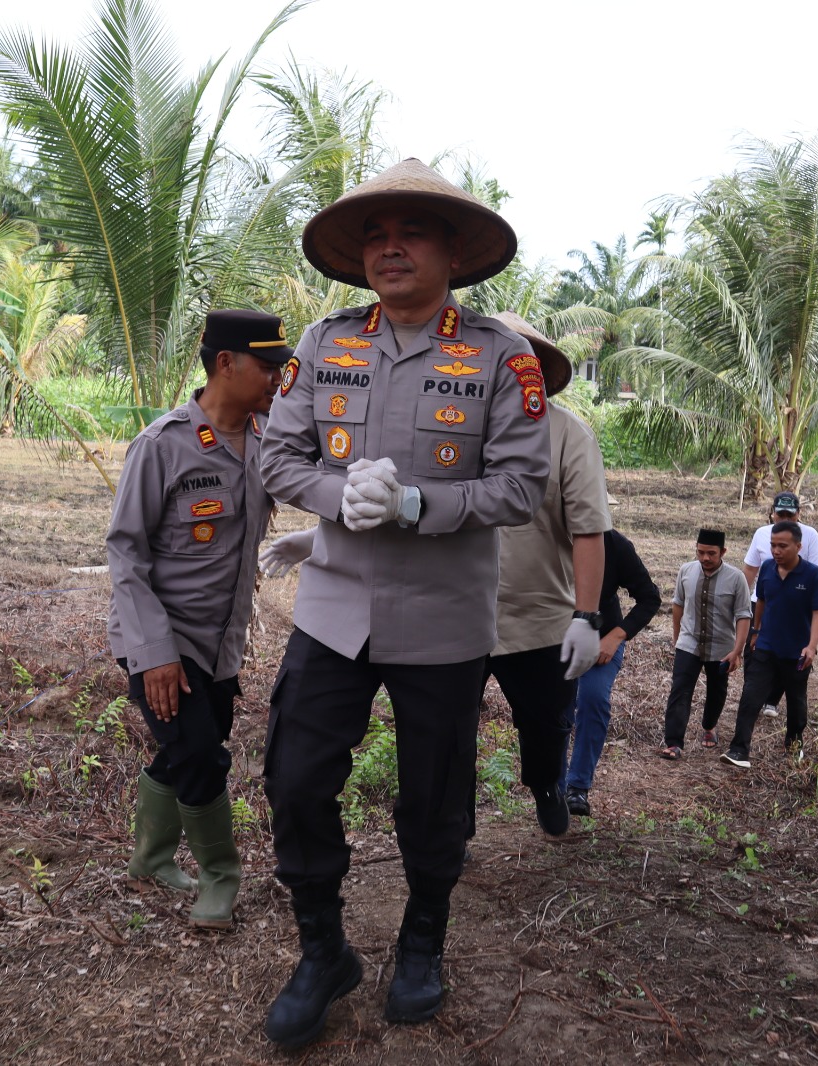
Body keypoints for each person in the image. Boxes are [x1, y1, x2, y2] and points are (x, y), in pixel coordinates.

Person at [257, 158, 550, 1048]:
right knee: (294, 778)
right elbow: (278, 458)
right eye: (376, 236)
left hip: (442, 620)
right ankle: (323, 951)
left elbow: (521, 486)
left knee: (434, 797)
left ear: (454, 251)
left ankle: (423, 942)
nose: (390, 248)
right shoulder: (324, 344)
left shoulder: (502, 356)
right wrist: (333, 493)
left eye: (411, 233)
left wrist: (418, 504)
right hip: (335, 609)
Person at [105, 309, 293, 931]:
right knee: (203, 758)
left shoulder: (270, 440)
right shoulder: (162, 446)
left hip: (221, 643)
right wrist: (155, 654)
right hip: (162, 636)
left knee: (188, 747)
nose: (276, 378)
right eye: (267, 366)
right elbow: (126, 552)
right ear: (225, 364)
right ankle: (220, 877)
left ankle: (151, 857)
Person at [479, 310, 611, 837]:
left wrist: (587, 616)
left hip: (539, 620)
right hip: (456, 615)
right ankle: (453, 826)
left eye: (516, 358)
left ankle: (546, 785)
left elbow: (589, 531)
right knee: (445, 731)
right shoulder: (448, 425)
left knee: (545, 726)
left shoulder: (568, 435)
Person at [563, 526, 662, 815]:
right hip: (552, 638)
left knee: (593, 699)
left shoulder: (615, 544)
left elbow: (649, 598)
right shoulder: (546, 538)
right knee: (555, 706)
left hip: (601, 639)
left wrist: (616, 636)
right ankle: (551, 787)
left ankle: (577, 787)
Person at [721, 521, 818, 768]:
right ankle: (739, 750)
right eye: (773, 545)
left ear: (798, 547)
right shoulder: (767, 567)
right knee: (751, 696)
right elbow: (761, 600)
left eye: (782, 546)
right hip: (766, 647)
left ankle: (794, 745)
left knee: (796, 702)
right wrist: (756, 631)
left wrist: (811, 646)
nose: (776, 551)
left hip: (797, 652)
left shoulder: (813, 575)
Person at [660, 529, 750, 760]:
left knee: (717, 691)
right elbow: (678, 604)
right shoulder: (686, 571)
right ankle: (674, 742)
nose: (705, 558)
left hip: (721, 647)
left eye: (711, 553)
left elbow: (743, 615)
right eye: (700, 552)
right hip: (688, 642)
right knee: (680, 690)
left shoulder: (736, 578)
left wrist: (737, 651)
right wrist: (677, 636)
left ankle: (709, 726)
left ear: (723, 552)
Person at [743, 491, 818, 717]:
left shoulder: (809, 535)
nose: (785, 519)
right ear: (773, 514)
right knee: (754, 651)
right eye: (781, 515)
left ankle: (772, 700)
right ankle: (752, 698)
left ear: (799, 514)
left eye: (790, 515)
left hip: (795, 604)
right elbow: (751, 568)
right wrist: (740, 600)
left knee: (786, 654)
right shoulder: (761, 534)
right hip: (762, 601)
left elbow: (817, 572)